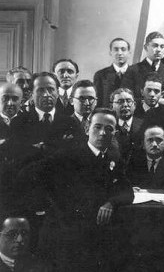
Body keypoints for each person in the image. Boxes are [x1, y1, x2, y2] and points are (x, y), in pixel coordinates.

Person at [15, 108, 134, 271]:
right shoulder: (67, 156)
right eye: (97, 127)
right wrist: (43, 205)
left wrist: (111, 203)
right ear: (87, 128)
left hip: (95, 238)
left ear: (115, 132)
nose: (102, 133)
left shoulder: (113, 158)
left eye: (109, 129)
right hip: (66, 238)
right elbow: (27, 175)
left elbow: (127, 191)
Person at [9, 72, 82, 163]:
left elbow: (74, 156)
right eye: (40, 90)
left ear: (58, 92)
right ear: (32, 94)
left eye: (51, 89)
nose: (46, 94)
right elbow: (17, 157)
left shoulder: (70, 122)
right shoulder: (19, 122)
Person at [127, 125, 164, 190]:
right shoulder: (133, 166)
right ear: (143, 144)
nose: (154, 144)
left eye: (159, 140)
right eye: (150, 140)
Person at [122, 32, 164, 99]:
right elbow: (126, 96)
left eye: (162, 47)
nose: (159, 50)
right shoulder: (133, 70)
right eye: (155, 46)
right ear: (146, 47)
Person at [93, 38, 133, 107]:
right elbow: (97, 101)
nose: (120, 53)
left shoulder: (136, 74)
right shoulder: (101, 75)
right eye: (116, 49)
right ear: (110, 52)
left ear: (129, 53)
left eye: (123, 49)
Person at [111, 88, 143, 163]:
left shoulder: (144, 125)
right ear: (112, 105)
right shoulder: (109, 126)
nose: (125, 105)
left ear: (134, 105)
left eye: (129, 101)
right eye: (120, 102)